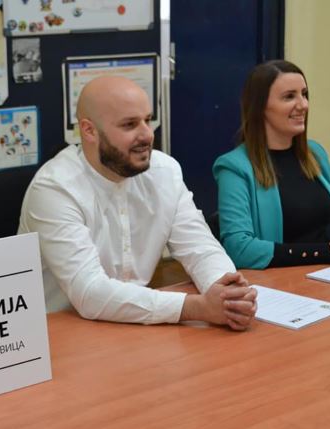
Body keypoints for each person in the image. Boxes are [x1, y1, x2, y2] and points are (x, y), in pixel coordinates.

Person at [19, 76, 256, 329]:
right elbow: (89, 292)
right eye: (129, 125)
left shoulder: (165, 172)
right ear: (89, 131)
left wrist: (226, 292)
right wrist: (196, 307)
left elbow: (201, 248)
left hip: (134, 323)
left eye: (148, 120)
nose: (147, 135)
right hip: (57, 332)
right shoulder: (55, 187)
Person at [213, 60, 330, 269]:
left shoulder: (315, 154)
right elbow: (239, 249)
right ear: (260, 107)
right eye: (289, 96)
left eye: (304, 94)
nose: (303, 105)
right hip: (283, 282)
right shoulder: (234, 167)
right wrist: (327, 252)